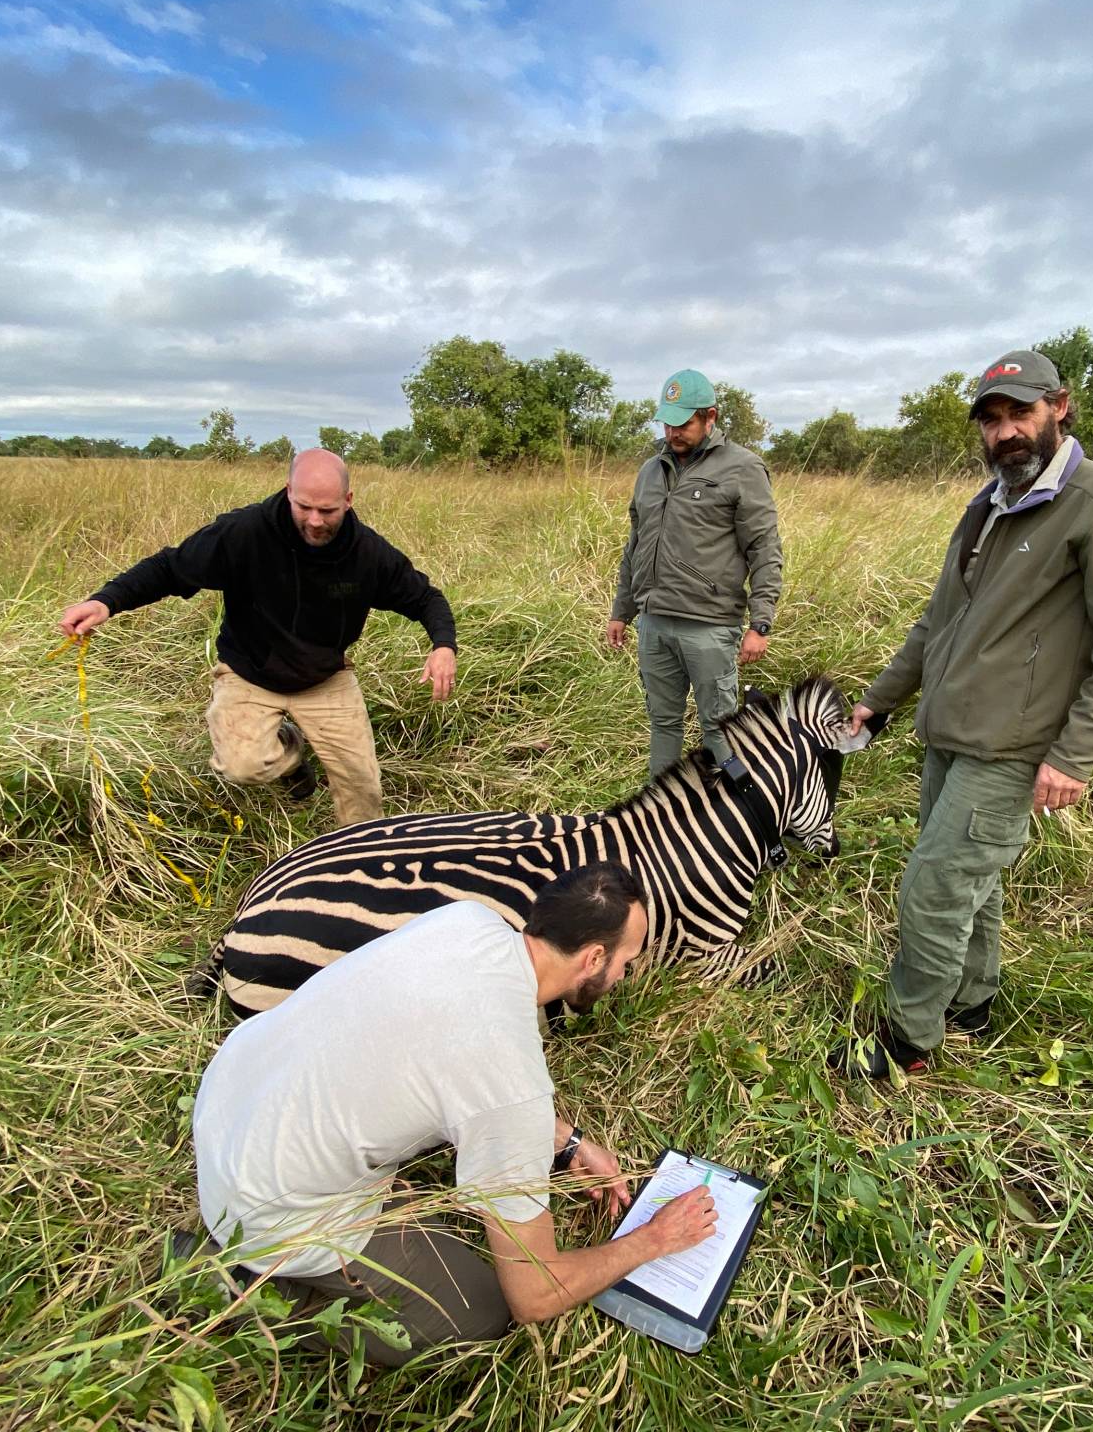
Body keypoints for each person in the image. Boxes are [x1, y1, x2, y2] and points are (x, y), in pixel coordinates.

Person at [191, 863, 719, 1364]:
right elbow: (535, 1295)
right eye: (627, 960)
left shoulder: (467, 919)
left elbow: (451, 1065)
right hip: (266, 1208)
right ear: (593, 959)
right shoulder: (512, 1081)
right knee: (480, 1314)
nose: (627, 974)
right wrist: (653, 1239)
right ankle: (252, 1294)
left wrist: (568, 1142)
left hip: (229, 1103)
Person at [833, 350, 1093, 1079]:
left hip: (1011, 747)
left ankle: (907, 1041)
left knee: (932, 890)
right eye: (992, 419)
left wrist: (1076, 754)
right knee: (970, 889)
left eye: (1021, 412)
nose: (1006, 431)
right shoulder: (989, 505)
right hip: (950, 735)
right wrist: (880, 701)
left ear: (1060, 407)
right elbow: (937, 624)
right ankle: (971, 1004)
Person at [56, 448, 455, 826]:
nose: (315, 520)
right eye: (305, 507)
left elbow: (425, 598)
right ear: (288, 492)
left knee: (362, 787)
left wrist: (442, 646)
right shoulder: (244, 532)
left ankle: (363, 860)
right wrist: (105, 602)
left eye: (328, 510)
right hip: (249, 672)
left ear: (348, 499)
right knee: (242, 766)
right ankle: (290, 752)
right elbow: (169, 568)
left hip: (324, 677)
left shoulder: (368, 553)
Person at [608, 369, 783, 778]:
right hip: (654, 624)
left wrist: (761, 623)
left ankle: (730, 818)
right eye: (668, 422)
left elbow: (764, 548)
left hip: (708, 625)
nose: (673, 432)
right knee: (663, 723)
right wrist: (622, 611)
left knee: (719, 730)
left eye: (684, 422)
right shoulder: (650, 470)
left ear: (710, 417)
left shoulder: (743, 467)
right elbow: (635, 546)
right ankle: (657, 818)